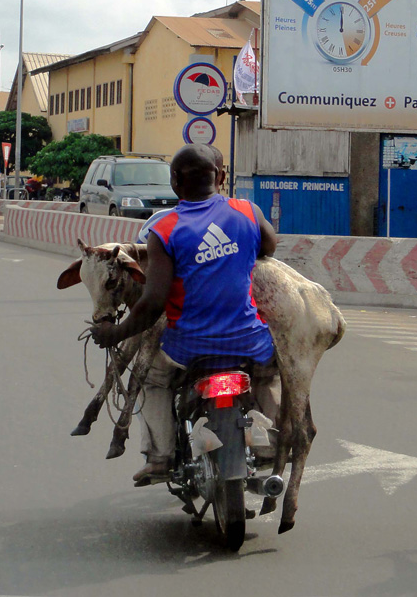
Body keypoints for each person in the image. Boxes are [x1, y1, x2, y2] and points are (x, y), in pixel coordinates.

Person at [91, 144, 279, 485]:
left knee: (153, 379)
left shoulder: (163, 231)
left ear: (175, 181)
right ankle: (270, 441)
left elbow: (152, 304)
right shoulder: (248, 211)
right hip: (249, 341)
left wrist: (113, 333)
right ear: (220, 178)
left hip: (190, 347)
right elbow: (269, 246)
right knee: (269, 374)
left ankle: (161, 456)